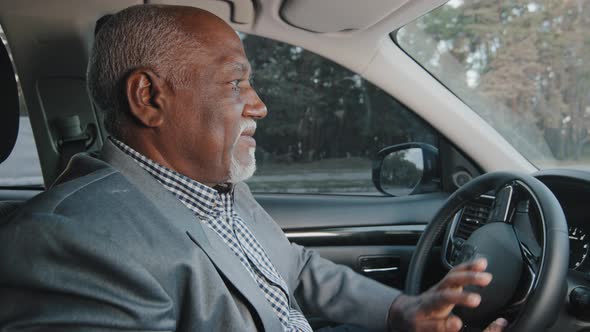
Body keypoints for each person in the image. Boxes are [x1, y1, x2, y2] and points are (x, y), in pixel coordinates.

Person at [0, 5, 507, 332]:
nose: (259, 105)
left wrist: (401, 312)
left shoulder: (213, 185)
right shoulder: (71, 240)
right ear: (148, 97)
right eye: (235, 84)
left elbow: (295, 268)